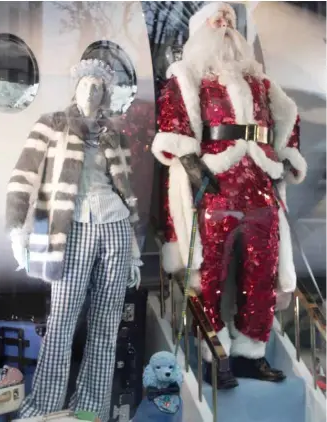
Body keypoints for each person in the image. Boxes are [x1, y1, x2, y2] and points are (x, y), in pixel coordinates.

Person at [151, 2, 306, 388]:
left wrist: (285, 156)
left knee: (262, 273)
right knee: (211, 275)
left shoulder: (262, 83)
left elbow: (287, 119)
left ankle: (251, 353)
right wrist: (191, 162)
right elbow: (175, 124)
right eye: (217, 21)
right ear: (201, 29)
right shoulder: (186, 78)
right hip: (216, 190)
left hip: (259, 188)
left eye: (230, 22)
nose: (225, 27)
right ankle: (213, 355)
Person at [6, 59, 144, 419]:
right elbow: (22, 178)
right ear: (76, 86)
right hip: (74, 228)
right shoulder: (51, 125)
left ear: (106, 93)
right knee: (62, 320)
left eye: (98, 86)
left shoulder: (114, 135)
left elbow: (126, 193)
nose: (91, 91)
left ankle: (90, 409)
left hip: (114, 226)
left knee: (106, 323)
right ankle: (44, 406)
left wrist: (133, 250)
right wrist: (16, 231)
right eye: (86, 84)